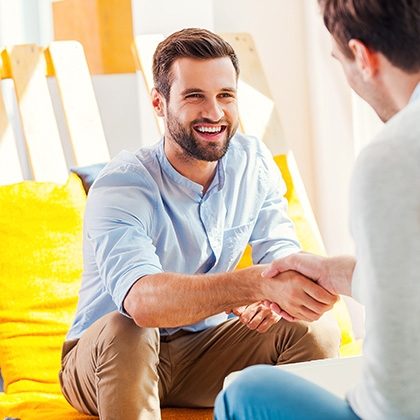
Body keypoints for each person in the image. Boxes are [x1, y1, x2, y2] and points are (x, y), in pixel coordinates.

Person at [58, 28, 341, 420]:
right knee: (130, 331)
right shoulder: (122, 184)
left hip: (202, 349)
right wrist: (254, 284)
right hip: (105, 361)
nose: (214, 112)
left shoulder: (253, 163)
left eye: (225, 95)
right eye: (195, 96)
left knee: (315, 330)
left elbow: (280, 252)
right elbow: (141, 303)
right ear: (159, 103)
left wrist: (281, 296)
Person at [214, 0, 420, 419]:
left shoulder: (393, 156)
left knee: (243, 392)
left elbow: (397, 399)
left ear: (363, 57)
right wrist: (336, 273)